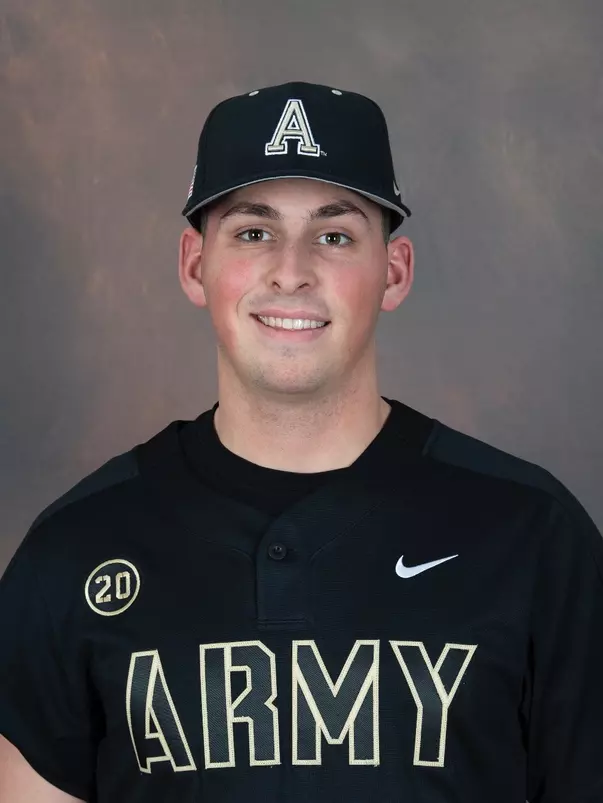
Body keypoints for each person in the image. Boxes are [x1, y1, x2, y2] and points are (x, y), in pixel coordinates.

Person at [0, 80, 601, 803]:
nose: (291, 270)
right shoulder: (76, 546)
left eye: (335, 234)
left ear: (394, 271)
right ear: (196, 265)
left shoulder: (531, 533)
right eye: (253, 232)